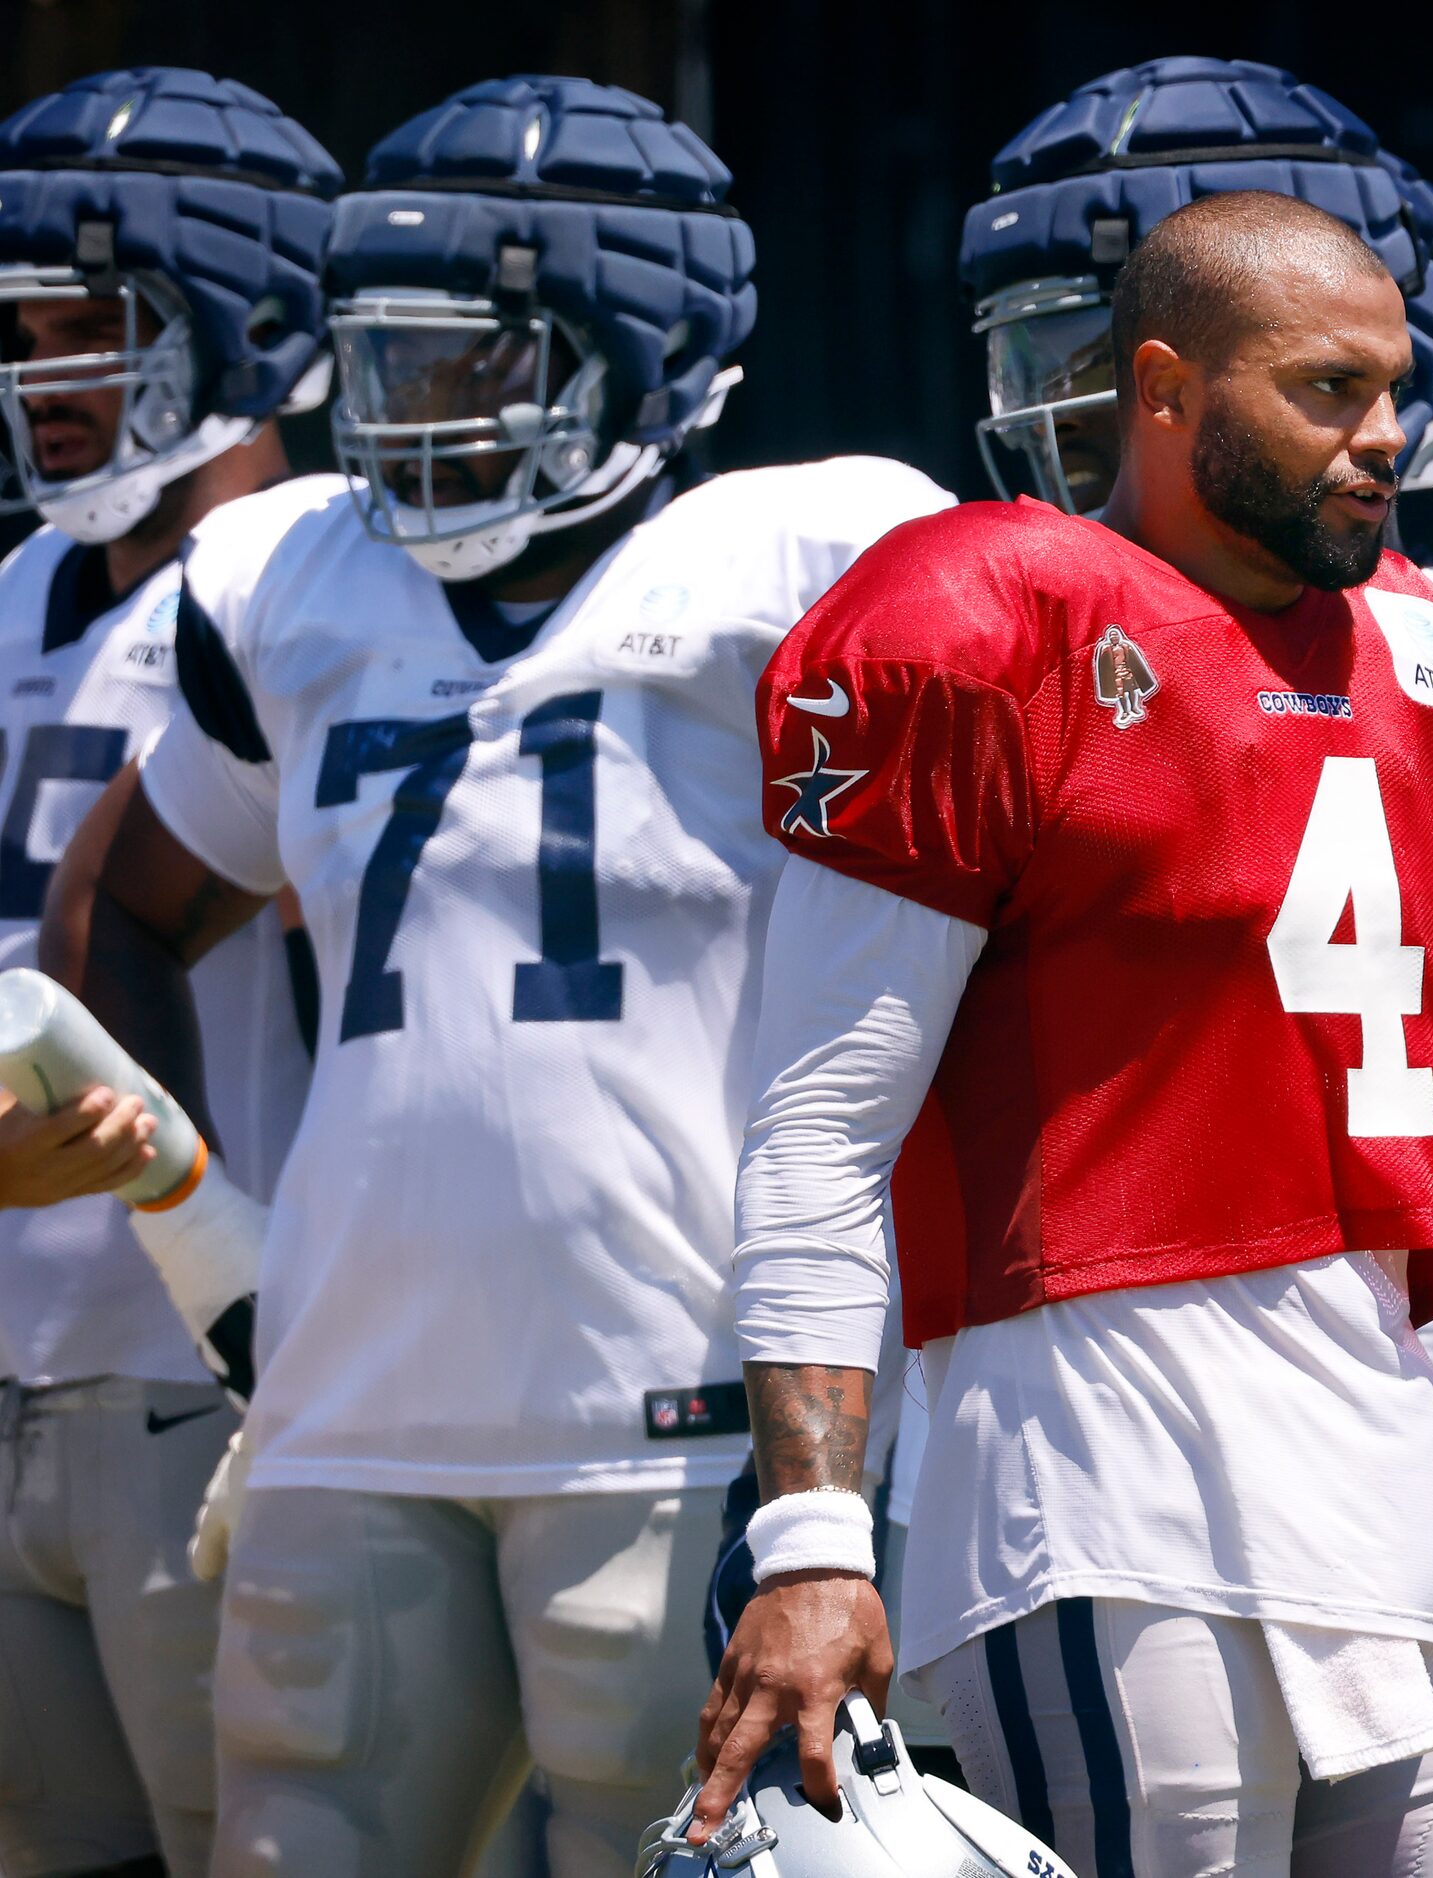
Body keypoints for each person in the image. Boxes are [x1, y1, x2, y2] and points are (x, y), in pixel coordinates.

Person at [691, 188, 1433, 1878]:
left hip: (1383, 1523)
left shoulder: (1421, 658)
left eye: (1394, 390)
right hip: (1101, 1516)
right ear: (1166, 392)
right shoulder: (987, 618)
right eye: (1327, 391)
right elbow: (819, 1130)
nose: (1385, 436)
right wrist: (812, 1534)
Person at [42, 75, 951, 1878]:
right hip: (342, 1405)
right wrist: (219, 1250)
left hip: (679, 1398)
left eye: (478, 363)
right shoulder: (289, 577)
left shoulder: (810, 559)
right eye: (383, 365)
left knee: (684, 1851)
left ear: (649, 358)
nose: (416, 420)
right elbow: (122, 908)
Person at [954, 53, 1433, 1632]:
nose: (1082, 413)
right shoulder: (987, 624)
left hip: (1415, 1334)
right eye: (1060, 359)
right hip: (1110, 1402)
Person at [0, 66, 328, 1878]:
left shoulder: (311, 592)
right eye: (24, 332)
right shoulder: (11, 593)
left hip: (213, 1377)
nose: (47, 373)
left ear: (248, 328)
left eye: (91, 328)